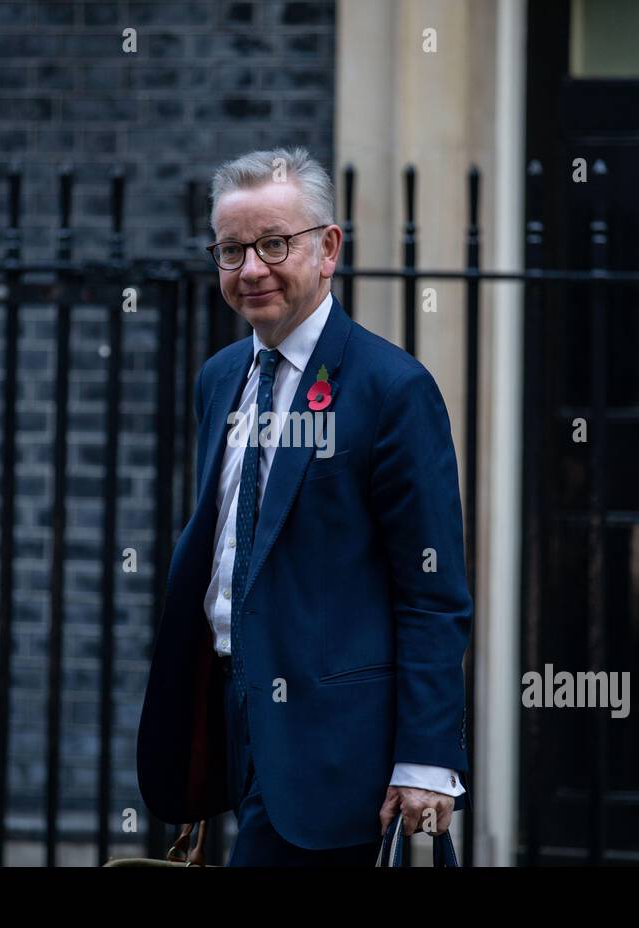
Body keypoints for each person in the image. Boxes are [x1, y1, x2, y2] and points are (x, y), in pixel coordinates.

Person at [137, 146, 470, 866]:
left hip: (338, 747)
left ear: (328, 249)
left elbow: (431, 593)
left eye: (273, 244)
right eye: (232, 250)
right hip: (232, 722)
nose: (251, 268)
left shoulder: (392, 389)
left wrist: (425, 759)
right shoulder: (220, 378)